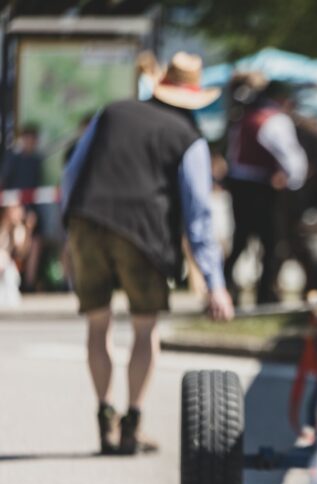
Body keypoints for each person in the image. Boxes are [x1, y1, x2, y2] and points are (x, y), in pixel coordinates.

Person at [62, 52, 234, 455]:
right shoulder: (189, 138)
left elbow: (72, 174)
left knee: (97, 325)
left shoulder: (113, 113)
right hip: (143, 233)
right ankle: (132, 425)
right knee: (144, 327)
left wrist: (70, 227)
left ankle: (105, 418)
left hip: (87, 221)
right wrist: (216, 284)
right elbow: (198, 216)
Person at [223, 79, 308, 305]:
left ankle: (225, 289)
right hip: (262, 187)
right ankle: (264, 296)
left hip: (239, 184)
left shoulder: (243, 117)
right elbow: (293, 161)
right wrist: (293, 183)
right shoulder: (276, 120)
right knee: (271, 243)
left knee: (240, 240)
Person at [0, 124, 44, 291]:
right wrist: (11, 208)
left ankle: (28, 283)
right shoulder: (13, 159)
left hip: (29, 211)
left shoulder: (36, 161)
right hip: (11, 208)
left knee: (32, 242)